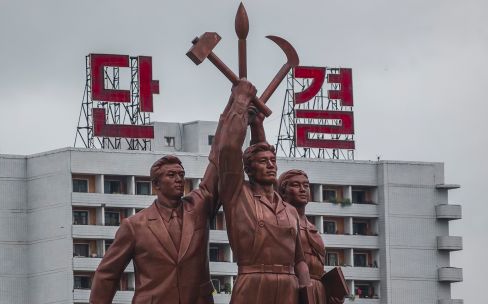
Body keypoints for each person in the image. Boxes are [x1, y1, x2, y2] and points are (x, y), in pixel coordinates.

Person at [89, 87, 236, 304]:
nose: (179, 179)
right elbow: (107, 275)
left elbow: (218, 158)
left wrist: (235, 107)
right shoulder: (135, 225)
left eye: (181, 175)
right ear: (156, 184)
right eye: (171, 175)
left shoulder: (199, 207)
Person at [217, 79, 311, 304]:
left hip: (288, 284)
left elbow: (299, 259)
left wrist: (306, 290)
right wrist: (240, 101)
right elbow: (229, 149)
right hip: (253, 280)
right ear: (248, 168)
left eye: (273, 160)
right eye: (262, 161)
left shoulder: (289, 210)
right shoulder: (237, 196)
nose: (271, 165)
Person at [278, 169, 344, 304]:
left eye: (306, 185)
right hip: (293, 287)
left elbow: (318, 267)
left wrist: (332, 292)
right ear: (283, 191)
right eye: (296, 185)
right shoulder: (279, 222)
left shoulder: (312, 227)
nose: (303, 189)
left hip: (318, 291)